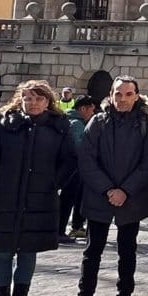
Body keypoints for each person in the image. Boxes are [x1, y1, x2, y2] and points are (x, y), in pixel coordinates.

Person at [0, 80, 77, 296]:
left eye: (38, 98)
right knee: (2, 252)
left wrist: (53, 183)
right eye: (28, 98)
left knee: (28, 252)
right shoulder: (3, 125)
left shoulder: (59, 127)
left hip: (39, 199)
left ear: (48, 101)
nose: (33, 103)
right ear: (19, 100)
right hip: (4, 199)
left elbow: (69, 160)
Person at [70, 76, 148, 296]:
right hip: (99, 197)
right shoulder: (98, 122)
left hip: (131, 198)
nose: (122, 99)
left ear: (136, 96)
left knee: (127, 251)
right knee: (92, 252)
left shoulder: (146, 125)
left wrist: (125, 190)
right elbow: (87, 160)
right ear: (111, 95)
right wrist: (109, 189)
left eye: (128, 94)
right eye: (118, 94)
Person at [58, 95, 98, 244]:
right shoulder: (76, 124)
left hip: (70, 168)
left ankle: (61, 229)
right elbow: (80, 147)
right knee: (67, 200)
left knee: (67, 200)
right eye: (91, 110)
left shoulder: (70, 120)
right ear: (83, 108)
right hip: (73, 169)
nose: (92, 113)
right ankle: (59, 231)